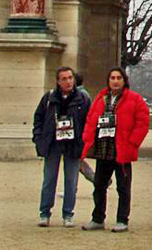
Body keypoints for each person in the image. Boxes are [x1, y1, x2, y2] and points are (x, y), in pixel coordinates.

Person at [81, 67, 151, 233]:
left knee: (123, 188)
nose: (115, 81)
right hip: (104, 149)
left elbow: (143, 123)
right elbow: (91, 120)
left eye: (119, 77)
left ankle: (122, 219)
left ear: (124, 80)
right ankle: (98, 218)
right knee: (99, 186)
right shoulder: (101, 99)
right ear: (108, 80)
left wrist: (132, 143)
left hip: (121, 150)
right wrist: (87, 139)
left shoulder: (135, 99)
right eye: (112, 77)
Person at [33, 66, 90, 227]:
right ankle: (45, 213)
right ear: (58, 81)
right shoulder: (49, 98)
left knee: (71, 181)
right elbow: (38, 118)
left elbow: (89, 120)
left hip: (73, 144)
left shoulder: (83, 98)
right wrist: (38, 138)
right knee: (49, 180)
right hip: (53, 143)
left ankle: (68, 214)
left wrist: (85, 141)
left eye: (70, 78)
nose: (68, 81)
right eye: (64, 79)